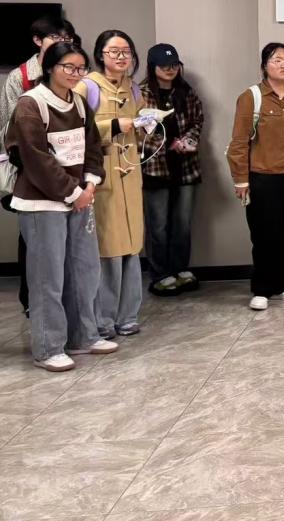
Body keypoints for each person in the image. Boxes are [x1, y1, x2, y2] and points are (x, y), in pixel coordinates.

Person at [4, 41, 118, 371]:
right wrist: (73, 192)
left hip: (80, 197)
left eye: (80, 68)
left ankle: (83, 335)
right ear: (50, 68)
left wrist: (91, 183)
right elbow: (36, 159)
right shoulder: (31, 104)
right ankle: (48, 346)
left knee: (84, 270)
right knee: (48, 277)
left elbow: (92, 148)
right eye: (68, 67)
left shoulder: (79, 103)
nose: (75, 73)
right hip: (42, 203)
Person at [227, 43, 284, 311]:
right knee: (264, 234)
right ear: (264, 65)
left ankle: (283, 284)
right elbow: (239, 141)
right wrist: (241, 179)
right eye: (277, 59)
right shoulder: (251, 97)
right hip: (262, 177)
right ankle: (261, 289)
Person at [0, 16, 78, 315]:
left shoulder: (73, 74)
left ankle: (66, 302)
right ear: (37, 40)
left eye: (67, 38)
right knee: (33, 239)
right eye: (55, 37)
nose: (62, 43)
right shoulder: (20, 77)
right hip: (31, 169)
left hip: (69, 167)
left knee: (67, 239)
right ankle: (32, 301)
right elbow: (9, 127)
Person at [81, 30, 150, 338]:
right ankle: (103, 319)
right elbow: (75, 128)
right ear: (101, 55)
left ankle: (128, 316)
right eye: (115, 52)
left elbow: (140, 122)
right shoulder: (88, 86)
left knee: (132, 245)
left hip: (130, 173)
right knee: (108, 247)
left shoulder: (133, 88)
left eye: (126, 52)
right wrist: (112, 125)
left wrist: (148, 122)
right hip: (103, 174)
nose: (122, 57)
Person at [140, 43, 204, 297]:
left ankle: (180, 269)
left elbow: (198, 120)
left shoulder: (186, 91)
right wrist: (167, 144)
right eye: (164, 65)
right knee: (157, 226)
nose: (170, 69)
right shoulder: (141, 93)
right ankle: (160, 274)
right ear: (152, 66)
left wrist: (187, 140)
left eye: (174, 65)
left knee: (182, 224)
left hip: (186, 167)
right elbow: (138, 129)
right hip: (155, 168)